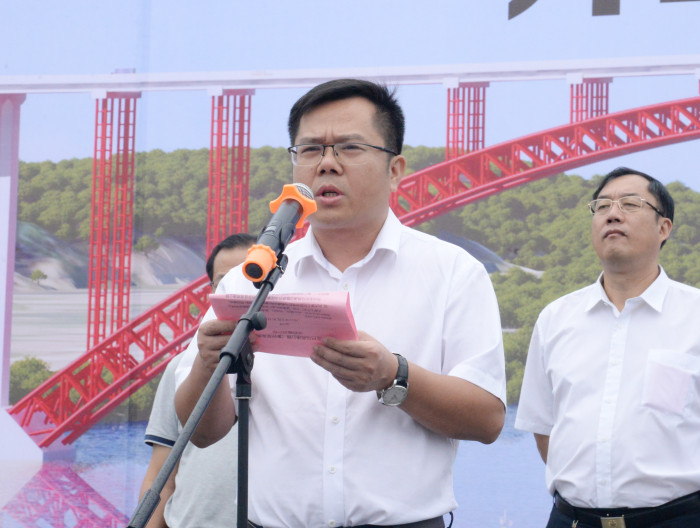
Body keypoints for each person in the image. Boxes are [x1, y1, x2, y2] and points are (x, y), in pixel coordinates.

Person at [174, 79, 507, 528]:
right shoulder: (250, 278)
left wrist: (393, 375)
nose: (327, 164)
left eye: (350, 148)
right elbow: (202, 433)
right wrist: (206, 364)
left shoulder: (453, 273)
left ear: (395, 169)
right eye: (311, 150)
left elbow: (487, 420)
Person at [515, 167, 700, 527]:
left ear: (664, 228)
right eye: (602, 206)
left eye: (630, 204)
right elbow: (545, 428)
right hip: (571, 519)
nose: (613, 214)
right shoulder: (556, 318)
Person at [138, 233, 256, 528]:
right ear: (211, 292)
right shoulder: (182, 367)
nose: (238, 290)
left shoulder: (294, 365)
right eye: (225, 282)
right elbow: (160, 476)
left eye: (250, 277)